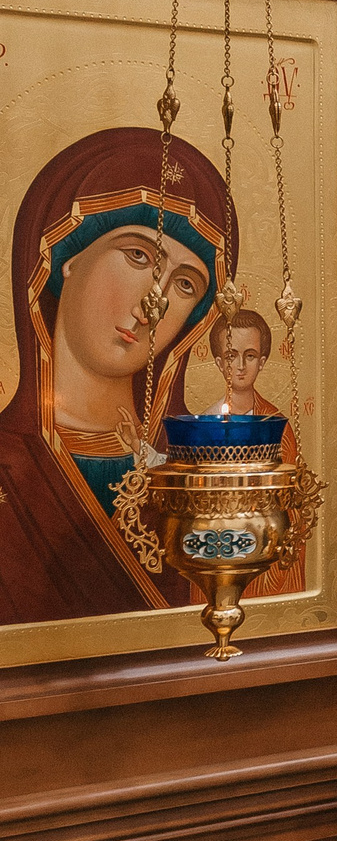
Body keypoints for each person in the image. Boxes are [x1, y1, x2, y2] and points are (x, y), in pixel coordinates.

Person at [0, 128, 232, 625]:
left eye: (186, 284)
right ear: (64, 259)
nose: (154, 303)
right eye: (139, 255)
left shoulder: (197, 462)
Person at [209, 306, 307, 597]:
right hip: (221, 542)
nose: (240, 366)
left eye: (249, 356)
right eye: (230, 356)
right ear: (218, 362)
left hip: (265, 544)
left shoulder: (277, 427)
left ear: (262, 361)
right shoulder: (206, 422)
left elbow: (293, 499)